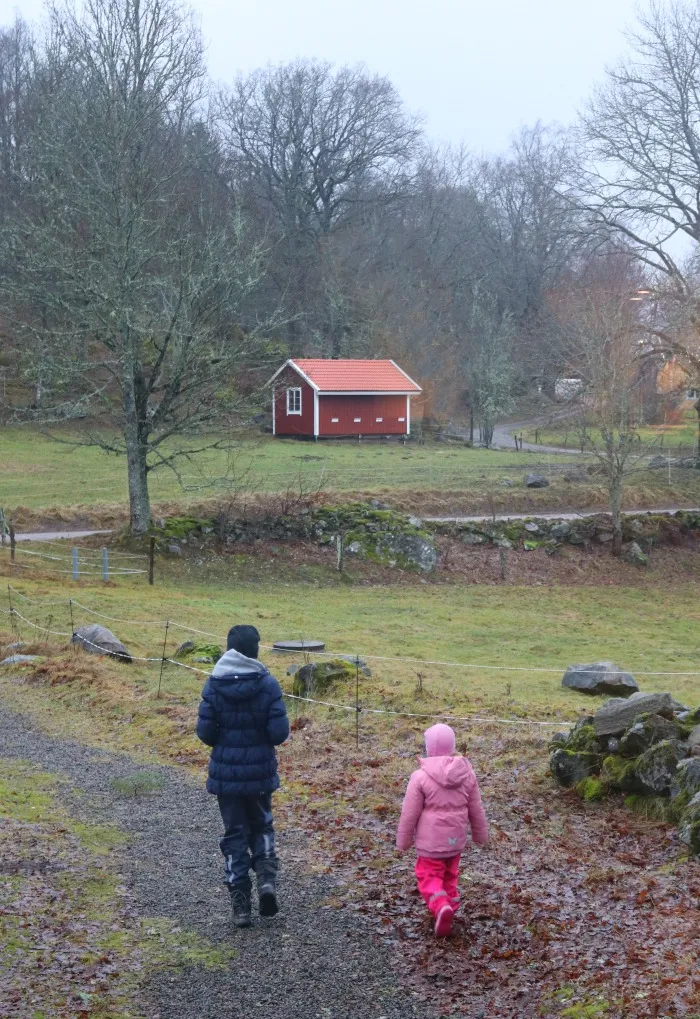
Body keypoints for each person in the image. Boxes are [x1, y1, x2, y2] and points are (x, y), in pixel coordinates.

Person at [196, 624, 289, 929]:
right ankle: (266, 882)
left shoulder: (213, 684)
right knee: (262, 825)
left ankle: (240, 904)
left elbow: (206, 733)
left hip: (227, 776)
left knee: (234, 832)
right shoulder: (267, 684)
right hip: (260, 773)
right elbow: (278, 733)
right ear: (255, 649)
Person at [396, 722, 488, 937]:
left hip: (430, 844)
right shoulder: (467, 774)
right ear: (452, 746)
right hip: (455, 842)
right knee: (450, 874)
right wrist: (480, 835)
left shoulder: (419, 776)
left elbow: (409, 813)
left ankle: (441, 907)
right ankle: (451, 907)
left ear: (428, 748)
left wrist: (403, 841)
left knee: (428, 875)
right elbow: (476, 807)